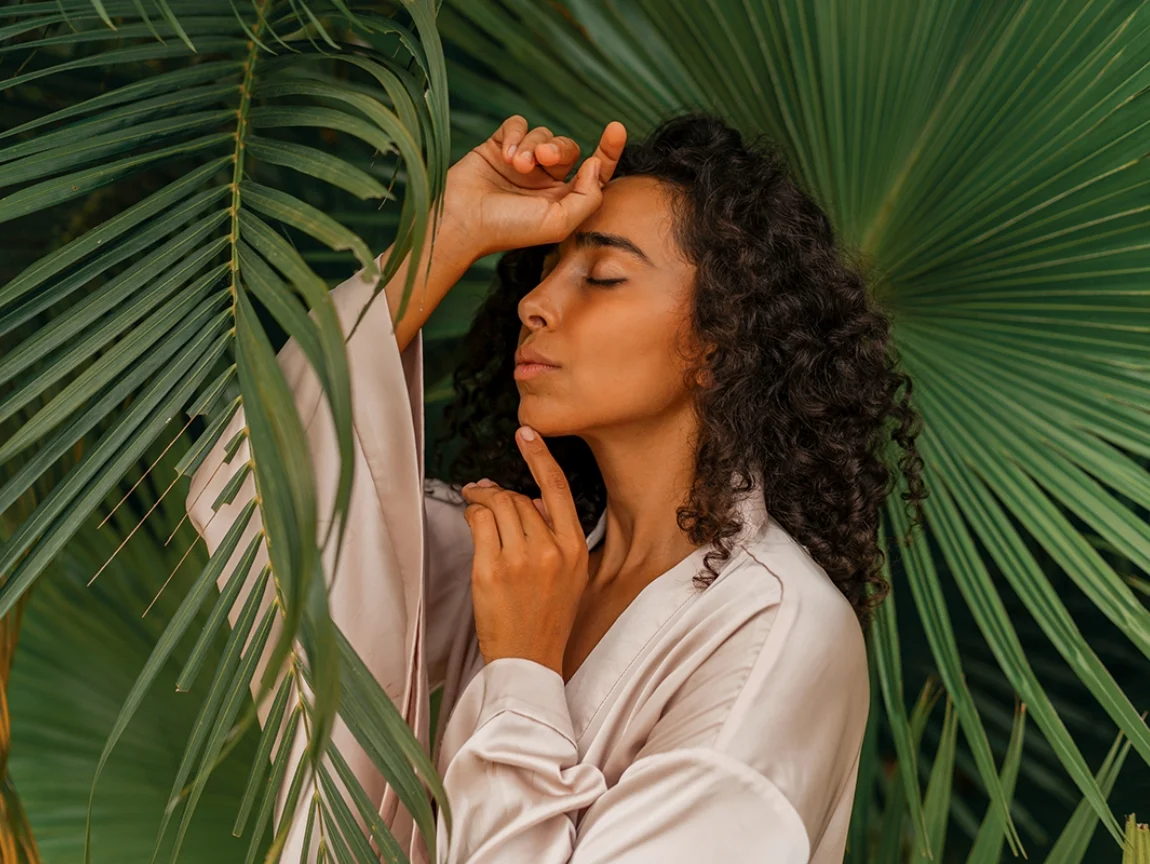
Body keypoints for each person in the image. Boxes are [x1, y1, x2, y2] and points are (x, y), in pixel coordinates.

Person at [186, 111, 926, 864]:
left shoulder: (781, 634)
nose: (533, 303)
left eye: (602, 277)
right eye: (546, 269)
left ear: (720, 343)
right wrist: (451, 230)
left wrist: (522, 669)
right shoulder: (509, 561)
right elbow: (257, 489)